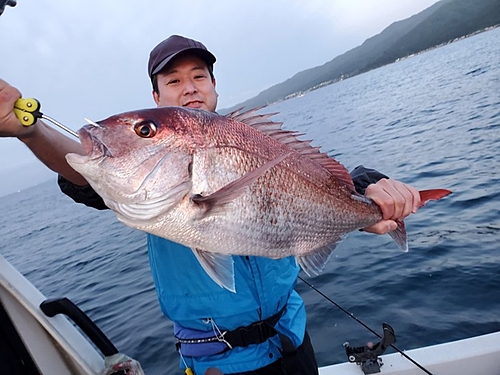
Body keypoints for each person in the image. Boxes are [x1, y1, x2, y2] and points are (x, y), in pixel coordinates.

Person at [0, 35, 421, 375]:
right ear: (156, 93)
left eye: (199, 75)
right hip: (217, 363)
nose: (189, 87)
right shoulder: (133, 183)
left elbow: (318, 187)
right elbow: (87, 174)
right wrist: (30, 131)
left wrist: (371, 193)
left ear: (214, 86)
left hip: (293, 338)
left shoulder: (253, 139)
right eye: (173, 80)